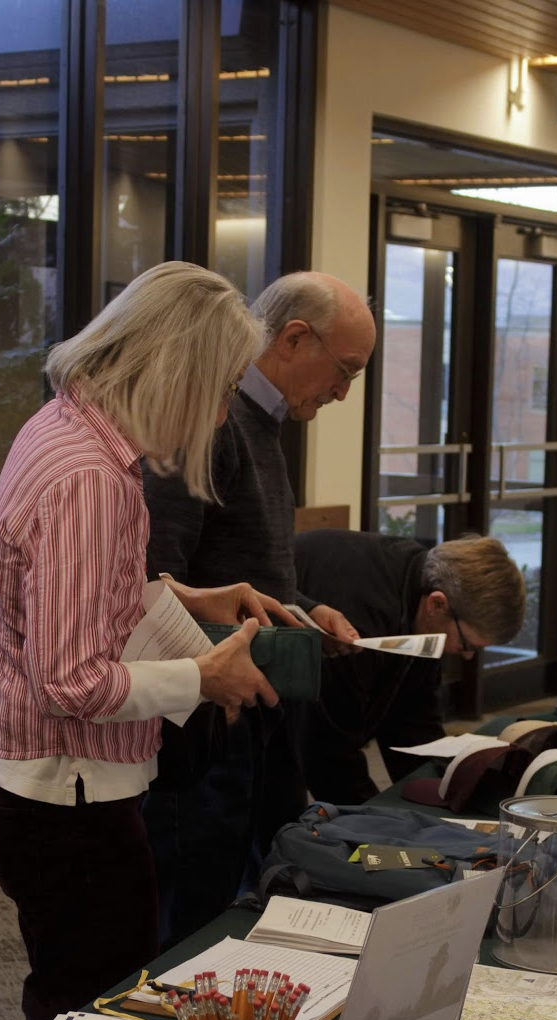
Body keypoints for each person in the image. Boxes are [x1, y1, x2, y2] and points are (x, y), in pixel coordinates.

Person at [0, 261, 283, 1020]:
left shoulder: (71, 429)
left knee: (74, 1000)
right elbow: (69, 679)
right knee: (84, 1016)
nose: (216, 419)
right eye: (215, 392)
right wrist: (201, 675)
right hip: (63, 796)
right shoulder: (90, 477)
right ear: (173, 369)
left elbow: (81, 599)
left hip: (45, 790)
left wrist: (184, 597)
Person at [141, 271, 374, 946]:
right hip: (203, 732)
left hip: (256, 720)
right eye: (345, 370)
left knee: (261, 907)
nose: (342, 392)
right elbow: (158, 586)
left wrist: (309, 611)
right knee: (192, 922)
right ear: (296, 339)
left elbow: (249, 576)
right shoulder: (209, 422)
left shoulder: (264, 426)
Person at [292, 530, 527, 804]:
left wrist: (443, 796)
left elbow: (413, 723)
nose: (466, 657)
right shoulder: (361, 621)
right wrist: (375, 825)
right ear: (437, 603)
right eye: (468, 644)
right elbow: (328, 752)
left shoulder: (420, 585)